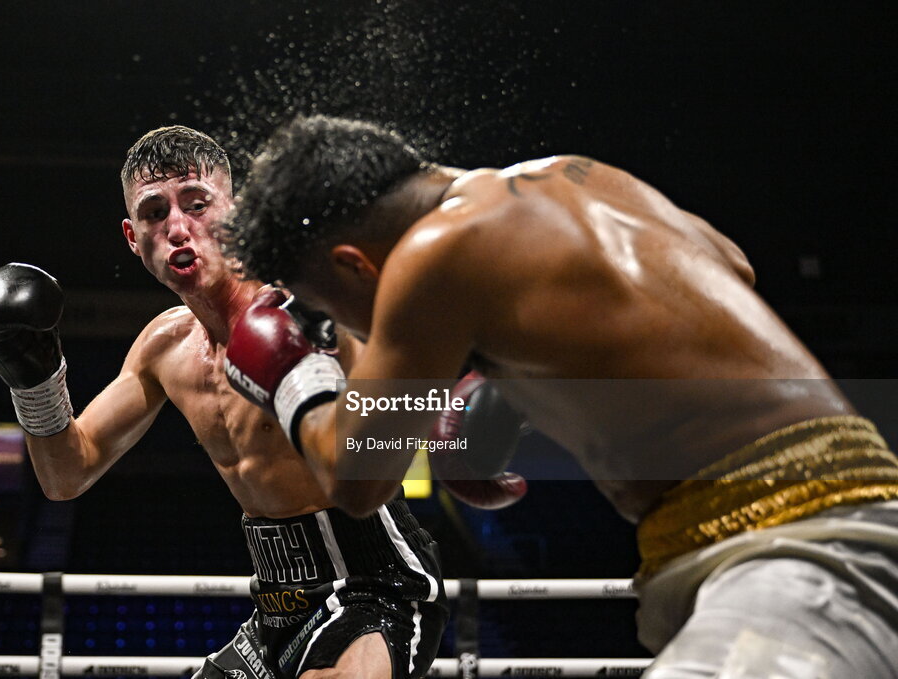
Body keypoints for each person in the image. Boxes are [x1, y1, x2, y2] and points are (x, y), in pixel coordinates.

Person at [220, 115, 898, 677]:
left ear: (352, 264)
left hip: (807, 553)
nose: (355, 335)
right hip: (817, 536)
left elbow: (357, 475)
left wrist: (292, 377)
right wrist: (509, 390)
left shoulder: (434, 252)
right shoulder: (580, 178)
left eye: (330, 311)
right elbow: (729, 262)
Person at [0, 125, 452, 679]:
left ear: (237, 213)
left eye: (197, 204)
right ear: (132, 237)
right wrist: (34, 382)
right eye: (154, 213)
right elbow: (66, 475)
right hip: (277, 608)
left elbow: (420, 398)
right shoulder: (163, 348)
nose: (177, 228)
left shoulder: (308, 304)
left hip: (375, 589)